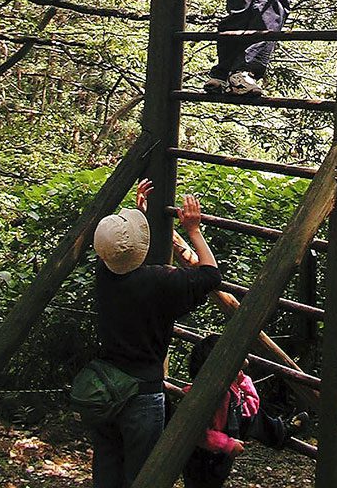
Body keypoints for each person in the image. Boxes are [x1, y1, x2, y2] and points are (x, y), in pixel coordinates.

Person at [86, 179, 221, 488]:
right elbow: (211, 274)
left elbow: (120, 250)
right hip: (143, 392)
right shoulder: (161, 283)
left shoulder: (104, 272)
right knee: (144, 476)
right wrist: (194, 230)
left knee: (106, 474)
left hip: (104, 387)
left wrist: (138, 214)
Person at [181, 333, 308, 488]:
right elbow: (196, 433)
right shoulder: (200, 396)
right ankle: (278, 432)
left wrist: (244, 381)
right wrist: (226, 444)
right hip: (204, 457)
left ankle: (279, 432)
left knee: (254, 416)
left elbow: (251, 408)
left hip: (224, 446)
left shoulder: (229, 388)